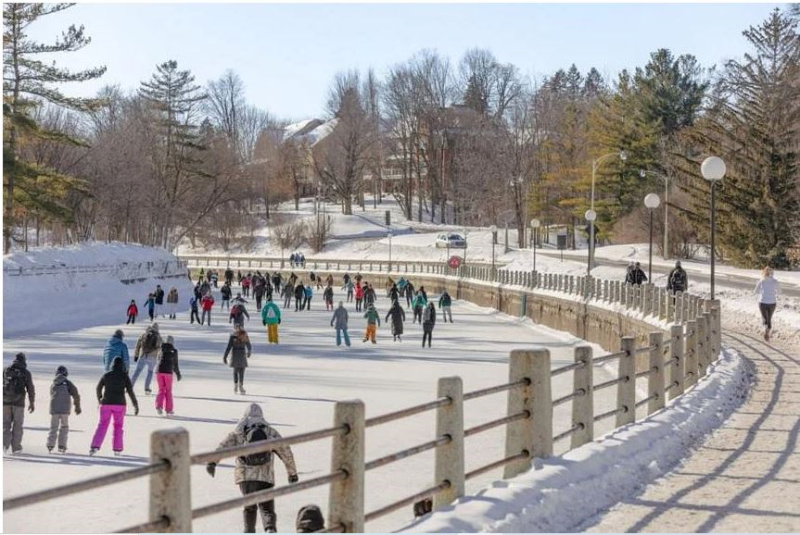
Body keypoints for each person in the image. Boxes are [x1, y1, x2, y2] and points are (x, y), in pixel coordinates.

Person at [205, 404, 298, 533]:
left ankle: (249, 531)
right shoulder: (270, 432)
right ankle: (270, 529)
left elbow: (224, 446)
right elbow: (285, 451)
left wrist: (212, 463)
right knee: (266, 508)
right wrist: (292, 474)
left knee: (249, 508)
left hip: (245, 478)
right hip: (265, 477)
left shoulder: (239, 432)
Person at [90, 357, 138, 456]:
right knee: (118, 426)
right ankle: (117, 448)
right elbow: (130, 391)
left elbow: (98, 388)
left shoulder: (106, 375)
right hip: (120, 405)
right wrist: (135, 404)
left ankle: (94, 446)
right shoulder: (124, 376)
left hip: (106, 403)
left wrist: (100, 398)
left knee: (102, 425)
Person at [3, 353, 35, 454]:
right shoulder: (26, 372)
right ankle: (16, 448)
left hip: (5, 402)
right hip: (19, 403)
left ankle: (4, 445)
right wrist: (32, 402)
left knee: (5, 424)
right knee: (18, 425)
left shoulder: (6, 370)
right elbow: (30, 389)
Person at [47, 366, 81, 453]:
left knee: (53, 427)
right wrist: (77, 406)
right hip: (65, 409)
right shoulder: (68, 383)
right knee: (64, 427)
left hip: (54, 409)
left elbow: (51, 394)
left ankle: (50, 445)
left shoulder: (53, 383)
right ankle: (62, 445)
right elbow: (75, 394)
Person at [132, 323, 162, 395]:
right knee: (150, 372)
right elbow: (161, 348)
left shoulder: (144, 335)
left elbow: (138, 345)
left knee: (137, 371)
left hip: (143, 355)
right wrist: (160, 358)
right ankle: (147, 388)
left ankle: (130, 386)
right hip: (152, 358)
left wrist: (136, 355)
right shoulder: (158, 337)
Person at [155, 335, 181, 416]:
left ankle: (159, 407)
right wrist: (178, 373)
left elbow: (158, 359)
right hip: (168, 373)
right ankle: (169, 410)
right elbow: (175, 364)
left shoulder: (161, 349)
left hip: (159, 371)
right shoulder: (174, 351)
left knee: (161, 389)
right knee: (168, 391)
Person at [224, 325, 252, 394]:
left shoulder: (234, 336)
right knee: (240, 371)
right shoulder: (243, 335)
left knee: (236, 371)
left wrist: (225, 357)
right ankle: (240, 386)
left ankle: (237, 385)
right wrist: (249, 352)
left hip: (236, 354)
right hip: (241, 354)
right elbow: (249, 345)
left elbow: (229, 347)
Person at [755, 266, 780, 342]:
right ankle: (768, 328)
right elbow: (779, 291)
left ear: (763, 273)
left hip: (763, 302)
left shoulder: (761, 281)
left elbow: (756, 291)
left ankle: (766, 327)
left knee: (764, 317)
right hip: (772, 303)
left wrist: (763, 292)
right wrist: (773, 292)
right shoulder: (775, 281)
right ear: (772, 273)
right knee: (769, 318)